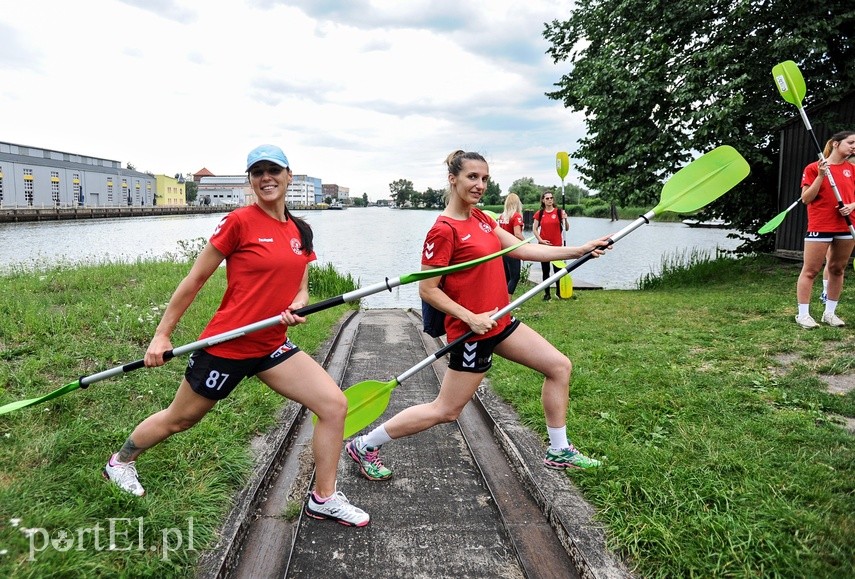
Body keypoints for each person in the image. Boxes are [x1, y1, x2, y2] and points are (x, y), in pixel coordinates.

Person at [102, 144, 369, 527]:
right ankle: (120, 461)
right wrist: (162, 335)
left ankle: (323, 498)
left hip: (272, 345)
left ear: (289, 176)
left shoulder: (300, 230)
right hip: (227, 345)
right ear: (251, 180)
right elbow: (194, 281)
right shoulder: (238, 222)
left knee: (333, 406)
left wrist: (297, 303)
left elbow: (301, 285)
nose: (266, 178)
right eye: (258, 172)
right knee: (180, 419)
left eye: (273, 170)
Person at [345, 150, 611, 484]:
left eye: (485, 178)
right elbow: (428, 290)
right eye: (472, 177)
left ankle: (559, 450)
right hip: (471, 333)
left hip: (500, 321)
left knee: (559, 366)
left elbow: (522, 249)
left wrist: (580, 249)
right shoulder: (443, 231)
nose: (480, 185)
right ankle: (365, 444)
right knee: (446, 410)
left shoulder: (483, 219)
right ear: (452, 179)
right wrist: (470, 317)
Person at [795, 131, 855, 328]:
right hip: (820, 225)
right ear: (836, 144)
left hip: (847, 224)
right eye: (851, 142)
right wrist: (821, 176)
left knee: (837, 269)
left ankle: (829, 313)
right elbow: (806, 199)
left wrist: (852, 206)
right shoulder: (814, 168)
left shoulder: (852, 169)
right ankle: (803, 315)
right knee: (811, 270)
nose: (854, 147)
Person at [533, 191, 569, 300]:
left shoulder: (559, 212)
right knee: (545, 271)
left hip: (557, 247)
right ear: (543, 200)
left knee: (558, 271)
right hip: (544, 247)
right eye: (547, 198)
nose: (549, 200)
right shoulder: (539, 213)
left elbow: (566, 228)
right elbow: (534, 229)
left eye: (551, 198)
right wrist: (541, 240)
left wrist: (566, 219)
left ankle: (559, 293)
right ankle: (547, 294)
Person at [497, 193, 525, 300]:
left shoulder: (502, 216)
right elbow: (517, 234)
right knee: (515, 277)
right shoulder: (516, 216)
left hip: (503, 250)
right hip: (513, 249)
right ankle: (507, 303)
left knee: (506, 277)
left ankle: (502, 300)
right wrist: (527, 244)